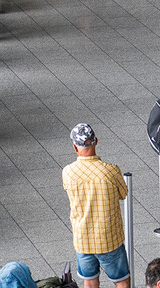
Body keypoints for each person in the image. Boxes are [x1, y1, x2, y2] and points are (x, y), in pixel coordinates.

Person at [62, 123, 131, 288]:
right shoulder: (110, 171)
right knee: (121, 281)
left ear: (74, 147)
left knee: (90, 281)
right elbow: (123, 194)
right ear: (96, 141)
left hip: (82, 239)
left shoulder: (68, 172)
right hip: (108, 238)